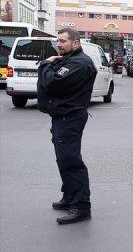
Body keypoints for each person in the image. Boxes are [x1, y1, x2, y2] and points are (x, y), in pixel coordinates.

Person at [37, 28, 98, 224]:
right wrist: (51, 65)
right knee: (63, 159)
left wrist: (46, 64)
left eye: (63, 41)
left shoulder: (80, 63)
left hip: (69, 117)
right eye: (58, 41)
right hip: (62, 116)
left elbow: (51, 83)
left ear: (75, 42)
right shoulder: (69, 59)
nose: (59, 44)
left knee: (71, 161)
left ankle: (81, 206)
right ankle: (70, 196)